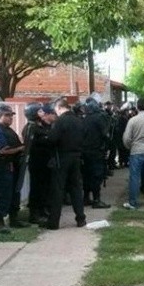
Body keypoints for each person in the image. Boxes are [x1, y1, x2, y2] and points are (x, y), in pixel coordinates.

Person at [43, 98, 86, 230]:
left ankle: (53, 222)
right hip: (76, 157)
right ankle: (81, 218)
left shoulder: (60, 121)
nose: (55, 112)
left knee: (58, 189)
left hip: (61, 157)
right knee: (76, 188)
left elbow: (52, 139)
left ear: (59, 107)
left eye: (56, 110)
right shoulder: (78, 120)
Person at [0, 104, 28, 233]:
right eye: (7, 115)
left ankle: (14, 219)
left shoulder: (9, 130)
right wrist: (20, 148)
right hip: (5, 166)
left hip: (14, 166)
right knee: (4, 194)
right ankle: (0, 222)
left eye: (11, 115)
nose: (10, 118)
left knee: (15, 193)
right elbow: (3, 150)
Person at [81, 97, 112, 209]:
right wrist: (107, 145)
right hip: (96, 151)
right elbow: (105, 134)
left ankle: (86, 197)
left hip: (85, 152)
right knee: (96, 176)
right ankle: (96, 199)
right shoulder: (99, 118)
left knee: (86, 175)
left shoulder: (84, 119)